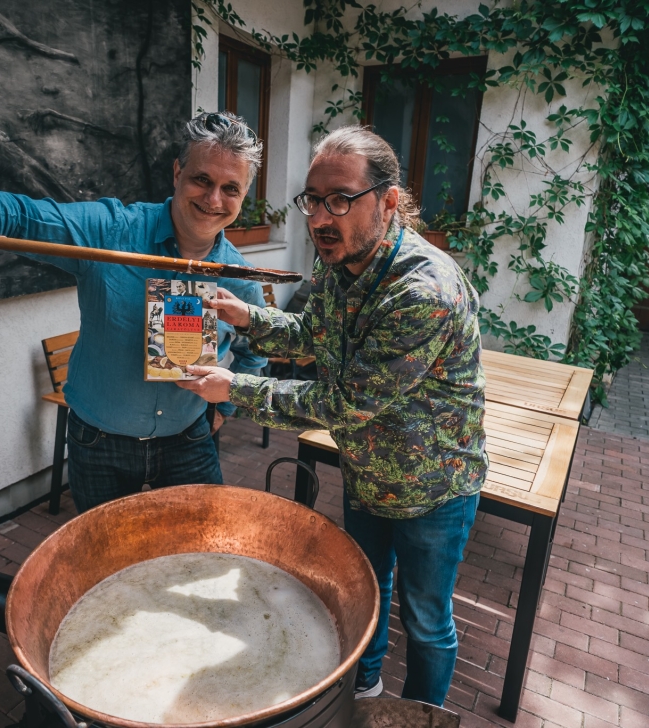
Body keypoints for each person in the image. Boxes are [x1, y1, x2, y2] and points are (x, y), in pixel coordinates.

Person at [178, 126, 487, 706]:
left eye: (340, 198)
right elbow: (313, 335)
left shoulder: (423, 291)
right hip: (368, 475)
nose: (321, 216)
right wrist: (247, 317)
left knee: (425, 621)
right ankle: (363, 689)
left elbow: (345, 403)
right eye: (313, 199)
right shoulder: (339, 265)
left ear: (389, 200)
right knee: (365, 593)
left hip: (433, 490)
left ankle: (421, 718)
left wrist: (234, 389)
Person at [0, 111, 267, 513]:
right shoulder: (110, 231)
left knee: (201, 552)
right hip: (98, 444)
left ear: (243, 197)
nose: (213, 200)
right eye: (202, 179)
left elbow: (257, 348)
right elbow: (22, 215)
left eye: (230, 189)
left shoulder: (239, 277)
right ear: (177, 173)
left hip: (188, 440)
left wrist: (225, 406)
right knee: (106, 565)